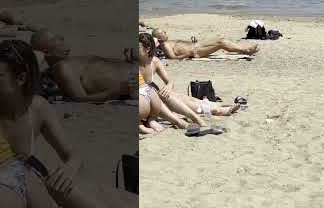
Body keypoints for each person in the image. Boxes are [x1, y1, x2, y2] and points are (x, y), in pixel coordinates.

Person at [0, 40, 137, 208]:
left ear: (21, 78)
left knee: (111, 196)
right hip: (16, 185)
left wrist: (68, 170)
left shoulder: (36, 108)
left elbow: (72, 154)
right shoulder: (62, 69)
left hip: (34, 180)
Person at [138, 33, 240, 136]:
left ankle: (219, 107)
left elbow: (170, 81)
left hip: (156, 95)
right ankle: (214, 111)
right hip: (149, 98)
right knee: (174, 98)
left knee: (184, 98)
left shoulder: (154, 61)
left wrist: (168, 87)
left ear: (147, 49)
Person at [30, 30, 136, 102]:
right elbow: (81, 98)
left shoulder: (73, 61)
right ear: (46, 52)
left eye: (59, 37)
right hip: (133, 84)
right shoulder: (62, 67)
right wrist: (116, 91)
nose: (61, 39)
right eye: (55, 40)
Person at [152, 29, 258, 59]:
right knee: (221, 43)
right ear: (159, 37)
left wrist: (190, 43)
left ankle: (245, 49)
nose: (165, 33)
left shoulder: (168, 42)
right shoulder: (165, 45)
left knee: (221, 39)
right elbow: (172, 57)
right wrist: (188, 54)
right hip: (196, 51)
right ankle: (246, 50)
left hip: (196, 45)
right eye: (163, 33)